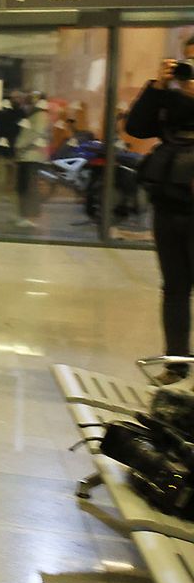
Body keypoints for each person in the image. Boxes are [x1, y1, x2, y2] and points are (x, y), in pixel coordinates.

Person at [125, 35, 194, 385]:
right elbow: (135, 127)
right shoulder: (170, 98)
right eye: (189, 64)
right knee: (174, 288)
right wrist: (157, 85)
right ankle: (176, 363)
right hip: (168, 207)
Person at [14, 92, 50, 229]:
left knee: (29, 186)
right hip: (27, 156)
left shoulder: (39, 115)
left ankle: (29, 216)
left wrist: (19, 144)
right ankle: (26, 215)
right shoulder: (35, 114)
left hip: (31, 156)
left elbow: (35, 133)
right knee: (25, 186)